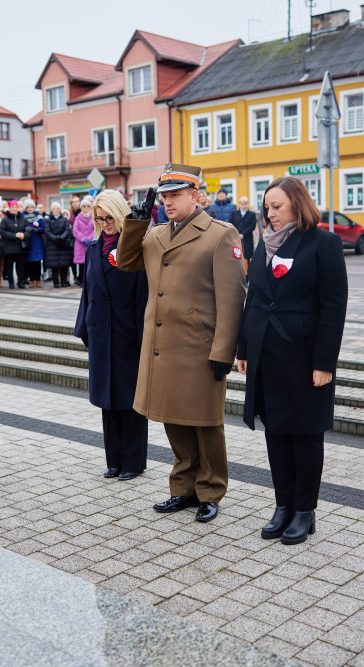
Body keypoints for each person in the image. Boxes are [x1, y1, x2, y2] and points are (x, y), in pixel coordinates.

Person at [116, 163, 246, 523]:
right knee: (173, 419)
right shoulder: (155, 234)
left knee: (205, 423)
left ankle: (211, 490)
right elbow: (126, 263)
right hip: (163, 346)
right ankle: (183, 489)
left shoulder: (220, 234)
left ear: (195, 195)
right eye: (163, 196)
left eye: (175, 195)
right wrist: (135, 224)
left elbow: (232, 299)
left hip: (200, 347)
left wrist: (224, 351)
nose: (167, 202)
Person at [236, 177, 348, 545]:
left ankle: (304, 510)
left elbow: (334, 308)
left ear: (298, 204)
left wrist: (325, 362)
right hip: (267, 354)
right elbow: (252, 299)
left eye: (277, 206)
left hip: (303, 357)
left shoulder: (323, 243)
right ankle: (283, 505)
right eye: (267, 207)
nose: (270, 214)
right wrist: (244, 350)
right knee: (277, 434)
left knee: (305, 437)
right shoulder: (261, 244)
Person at [75, 189, 150, 481]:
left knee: (130, 400)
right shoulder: (94, 248)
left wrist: (141, 335)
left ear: (120, 215)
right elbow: (88, 292)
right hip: (100, 333)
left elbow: (142, 293)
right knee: (107, 399)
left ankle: (133, 461)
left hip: (126, 332)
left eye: (109, 218)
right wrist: (84, 328)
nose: (104, 223)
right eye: (99, 218)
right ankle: (114, 459)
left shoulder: (133, 247)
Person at [0, 200, 29, 288]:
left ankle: (20, 282)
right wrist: (14, 235)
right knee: (9, 266)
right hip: (9, 246)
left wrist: (24, 235)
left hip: (20, 246)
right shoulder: (5, 219)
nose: (14, 209)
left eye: (16, 207)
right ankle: (11, 282)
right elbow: (2, 232)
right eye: (13, 207)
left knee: (20, 265)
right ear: (9, 208)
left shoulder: (23, 219)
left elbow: (28, 229)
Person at [45, 202, 74, 287]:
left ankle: (64, 281)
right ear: (51, 210)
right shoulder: (48, 220)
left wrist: (61, 238)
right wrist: (55, 238)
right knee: (54, 266)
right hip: (52, 245)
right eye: (54, 209)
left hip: (63, 244)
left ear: (60, 210)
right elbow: (47, 231)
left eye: (57, 209)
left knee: (64, 265)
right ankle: (56, 282)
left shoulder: (64, 220)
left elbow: (67, 230)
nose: (56, 210)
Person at [22, 199, 45, 288]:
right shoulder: (23, 217)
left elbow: (43, 228)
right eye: (28, 207)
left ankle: (38, 280)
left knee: (38, 262)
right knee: (29, 263)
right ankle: (31, 280)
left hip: (38, 242)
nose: (30, 209)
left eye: (32, 207)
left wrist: (36, 230)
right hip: (28, 242)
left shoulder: (39, 217)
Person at [72, 198, 95, 286]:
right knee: (81, 265)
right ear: (81, 207)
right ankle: (81, 280)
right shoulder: (78, 218)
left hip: (90, 243)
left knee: (90, 263)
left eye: (88, 206)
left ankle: (89, 280)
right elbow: (75, 231)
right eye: (84, 206)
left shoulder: (93, 217)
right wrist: (83, 239)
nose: (86, 208)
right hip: (80, 244)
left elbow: (95, 229)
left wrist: (89, 239)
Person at [232, 196, 257, 272]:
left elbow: (252, 226)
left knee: (246, 256)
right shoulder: (234, 213)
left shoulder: (252, 214)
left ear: (248, 204)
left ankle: (246, 275)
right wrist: (236, 233)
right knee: (236, 255)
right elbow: (231, 223)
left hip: (247, 238)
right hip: (236, 238)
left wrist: (243, 234)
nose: (244, 205)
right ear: (239, 204)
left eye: (246, 204)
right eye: (242, 204)